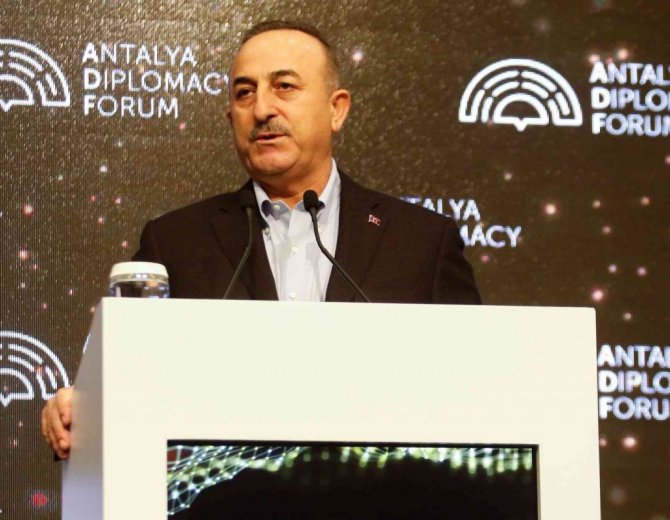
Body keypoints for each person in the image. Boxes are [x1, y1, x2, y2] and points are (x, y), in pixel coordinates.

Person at [41, 20, 481, 459]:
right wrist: (81, 409)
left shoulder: (422, 242)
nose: (262, 109)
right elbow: (129, 384)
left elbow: (476, 390)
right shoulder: (175, 243)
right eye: (244, 93)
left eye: (284, 86)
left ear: (337, 109)